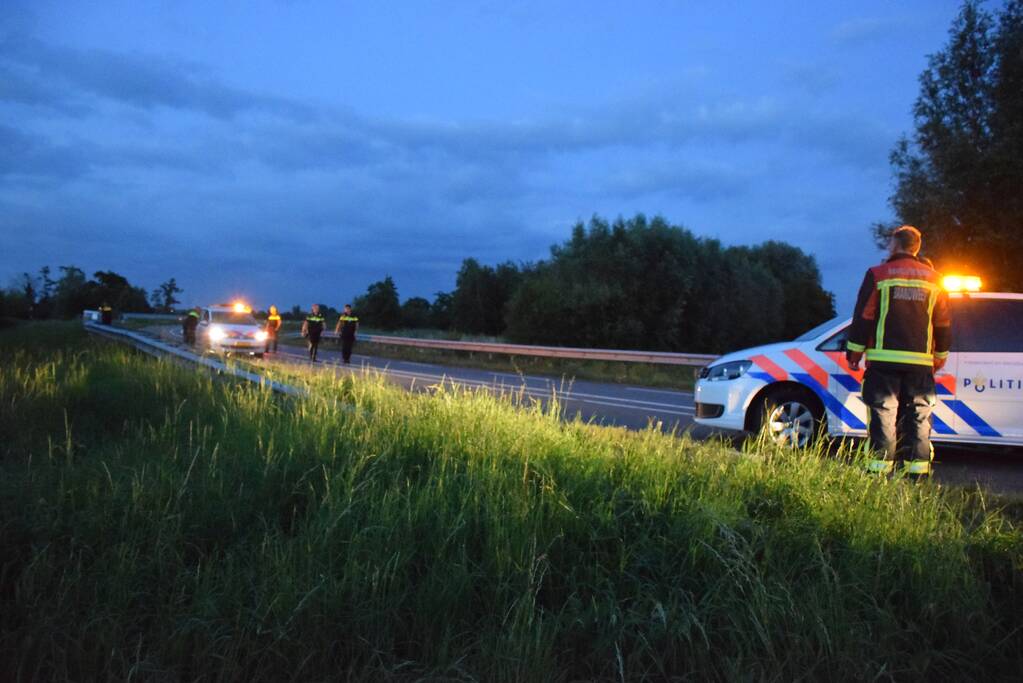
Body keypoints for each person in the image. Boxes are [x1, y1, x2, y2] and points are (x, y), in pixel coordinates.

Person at [846, 226, 951, 477]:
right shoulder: (935, 279)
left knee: (883, 415)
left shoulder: (878, 274)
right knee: (918, 417)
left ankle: (878, 474)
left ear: (895, 244)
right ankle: (917, 475)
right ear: (916, 247)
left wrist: (854, 354)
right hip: (920, 363)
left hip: (884, 362)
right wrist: (940, 356)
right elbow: (943, 322)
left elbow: (864, 316)